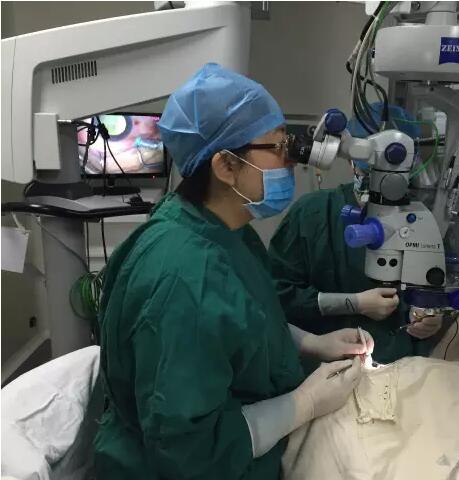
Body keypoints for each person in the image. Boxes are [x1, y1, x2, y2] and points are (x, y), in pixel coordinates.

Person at [94, 63, 374, 480]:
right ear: (226, 166)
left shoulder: (221, 228)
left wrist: (313, 344)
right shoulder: (185, 278)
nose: (293, 159)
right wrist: (305, 404)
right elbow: (189, 452)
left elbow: (243, 319)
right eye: (279, 146)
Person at [268, 105, 449, 365]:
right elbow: (278, 295)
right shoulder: (312, 214)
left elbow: (437, 285)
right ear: (351, 159)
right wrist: (353, 303)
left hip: (401, 367)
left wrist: (430, 316)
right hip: (327, 368)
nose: (378, 184)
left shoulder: (419, 219)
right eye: (369, 171)